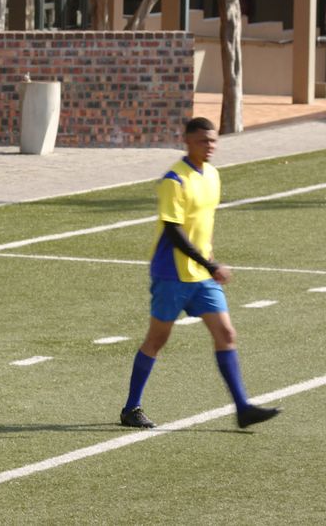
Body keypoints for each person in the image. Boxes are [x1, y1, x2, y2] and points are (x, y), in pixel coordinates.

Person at [119, 117, 281, 430]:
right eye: (203, 141)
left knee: (226, 334)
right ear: (188, 141)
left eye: (214, 140)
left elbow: (203, 224)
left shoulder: (213, 176)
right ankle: (130, 409)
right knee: (156, 340)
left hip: (202, 275)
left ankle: (243, 408)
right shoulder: (174, 180)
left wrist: (209, 260)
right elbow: (174, 231)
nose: (210, 146)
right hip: (172, 274)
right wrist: (210, 265)